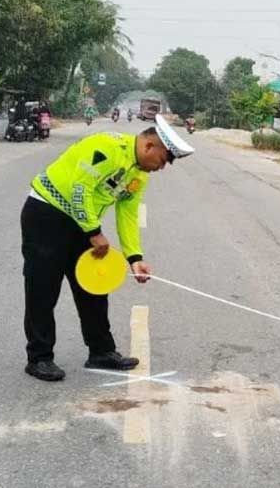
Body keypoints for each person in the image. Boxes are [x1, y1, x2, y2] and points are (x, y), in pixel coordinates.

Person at [21, 115, 195, 381]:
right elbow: (80, 189)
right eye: (163, 160)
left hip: (82, 220)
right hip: (47, 214)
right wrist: (94, 232)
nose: (162, 168)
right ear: (150, 146)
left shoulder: (138, 173)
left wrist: (134, 258)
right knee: (43, 288)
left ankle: (101, 351)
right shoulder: (106, 148)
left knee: (93, 287)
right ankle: (40, 357)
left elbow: (128, 214)